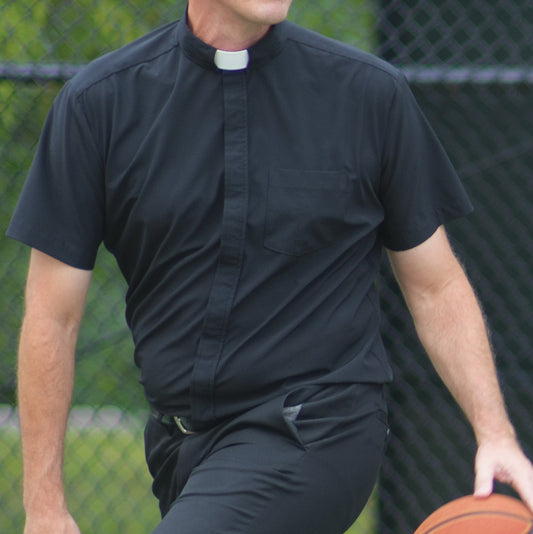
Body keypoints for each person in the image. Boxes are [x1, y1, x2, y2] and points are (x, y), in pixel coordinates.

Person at [8, 1, 533, 533]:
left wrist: (495, 433)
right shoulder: (99, 105)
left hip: (320, 428)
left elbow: (437, 286)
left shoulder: (368, 94)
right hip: (179, 451)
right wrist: (45, 506)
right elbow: (54, 317)